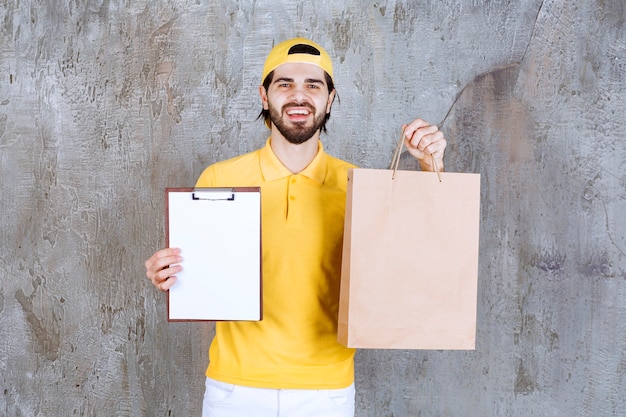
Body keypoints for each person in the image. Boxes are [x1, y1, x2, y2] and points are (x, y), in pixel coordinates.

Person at [145, 37, 447, 417]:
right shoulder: (219, 178)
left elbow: (420, 259)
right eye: (284, 83)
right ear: (263, 95)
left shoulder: (361, 185)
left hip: (327, 391)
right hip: (234, 389)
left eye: (313, 85)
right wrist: (169, 273)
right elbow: (202, 279)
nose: (298, 96)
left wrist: (430, 166)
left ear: (331, 99)